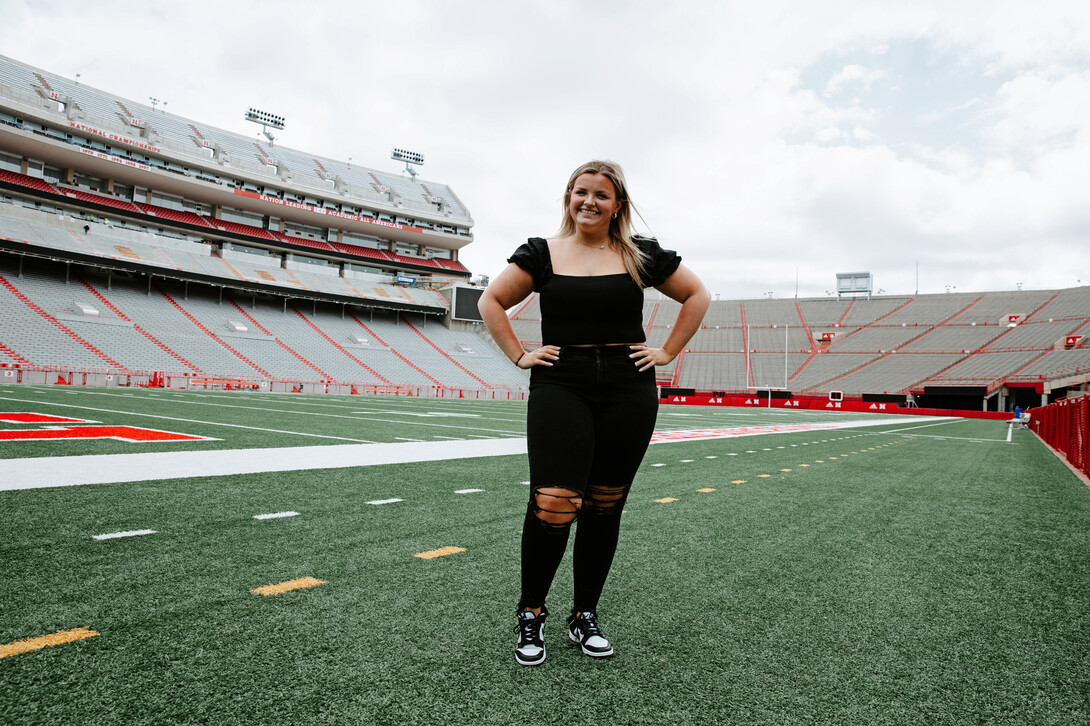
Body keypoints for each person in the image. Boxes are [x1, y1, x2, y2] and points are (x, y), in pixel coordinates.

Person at [478, 160, 710, 666]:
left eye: (600, 195)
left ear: (617, 205)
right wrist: (521, 355)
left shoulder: (639, 254)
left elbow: (697, 295)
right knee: (554, 501)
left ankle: (584, 615)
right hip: (563, 381)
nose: (589, 202)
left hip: (630, 384)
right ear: (568, 197)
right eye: (580, 192)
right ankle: (531, 613)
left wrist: (666, 352)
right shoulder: (541, 253)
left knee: (606, 503)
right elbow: (491, 300)